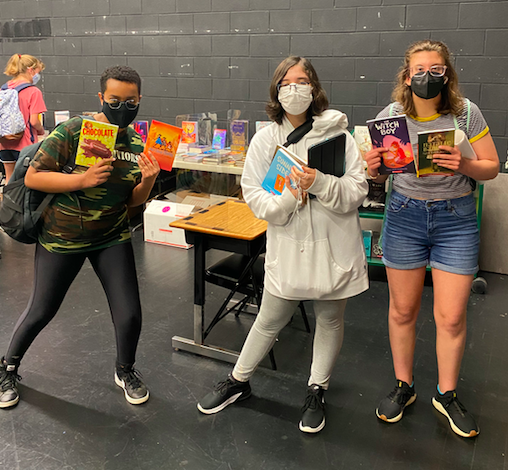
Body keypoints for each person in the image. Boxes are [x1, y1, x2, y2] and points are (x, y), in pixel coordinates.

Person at [197, 56, 369, 434]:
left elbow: (357, 190)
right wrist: (292, 197)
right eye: (286, 83)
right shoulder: (265, 140)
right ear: (276, 91)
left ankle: (317, 389)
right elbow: (256, 198)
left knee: (329, 318)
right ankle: (238, 380)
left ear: (314, 87)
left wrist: (319, 182)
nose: (295, 89)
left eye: (302, 81)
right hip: (289, 245)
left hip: (333, 246)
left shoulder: (337, 134)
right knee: (269, 318)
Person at [0, 65, 160, 408]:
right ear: (101, 97)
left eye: (130, 102)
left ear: (139, 100)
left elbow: (131, 201)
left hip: (111, 236)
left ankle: (125, 370)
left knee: (129, 313)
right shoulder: (74, 131)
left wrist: (147, 181)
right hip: (63, 237)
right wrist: (81, 180)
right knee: (41, 309)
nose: (122, 108)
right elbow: (34, 177)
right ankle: (7, 367)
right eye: (114, 100)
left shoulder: (135, 142)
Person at [366, 40, 499, 438]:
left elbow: (491, 167)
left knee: (452, 316)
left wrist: (465, 164)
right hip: (404, 216)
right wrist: (374, 168)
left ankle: (446, 393)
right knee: (402, 310)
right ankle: (403, 386)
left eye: (436, 69)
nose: (427, 76)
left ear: (447, 73)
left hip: (455, 220)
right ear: (407, 77)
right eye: (419, 70)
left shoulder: (466, 113)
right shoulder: (391, 117)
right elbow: (378, 173)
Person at [0, 54, 46, 184]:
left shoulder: (4, 88)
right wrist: (41, 131)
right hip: (25, 144)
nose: (38, 76)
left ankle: (6, 198)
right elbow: (34, 121)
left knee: (9, 179)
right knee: (26, 181)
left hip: (4, 142)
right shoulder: (33, 92)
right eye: (38, 72)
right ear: (30, 70)